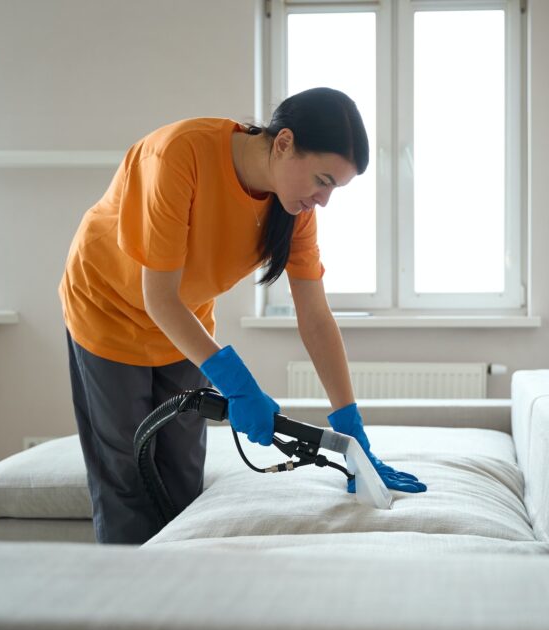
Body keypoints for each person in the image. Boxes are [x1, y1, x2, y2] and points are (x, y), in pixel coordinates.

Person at [59, 87, 426, 544]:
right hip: (108, 309)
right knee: (125, 478)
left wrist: (350, 427)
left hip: (182, 324)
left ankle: (188, 600)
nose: (324, 200)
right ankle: (130, 607)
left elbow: (314, 317)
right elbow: (159, 297)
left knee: (182, 480)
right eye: (323, 180)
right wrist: (236, 383)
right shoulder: (179, 155)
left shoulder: (294, 210)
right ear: (284, 142)